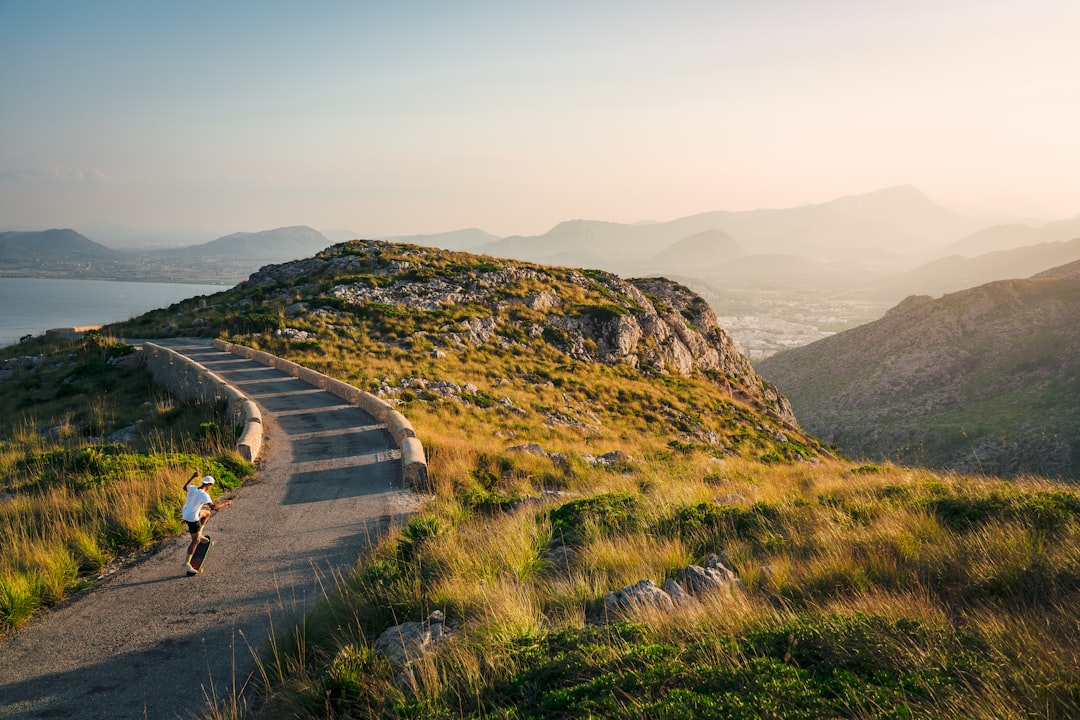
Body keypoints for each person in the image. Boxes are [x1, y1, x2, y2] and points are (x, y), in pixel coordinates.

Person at [182, 471, 232, 574]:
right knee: (195, 541)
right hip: (192, 517)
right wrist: (227, 503)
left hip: (186, 513)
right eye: (211, 486)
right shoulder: (204, 495)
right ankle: (186, 564)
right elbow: (214, 507)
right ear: (209, 485)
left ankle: (199, 533)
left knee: (207, 513)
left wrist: (192, 476)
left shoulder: (193, 488)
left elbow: (185, 487)